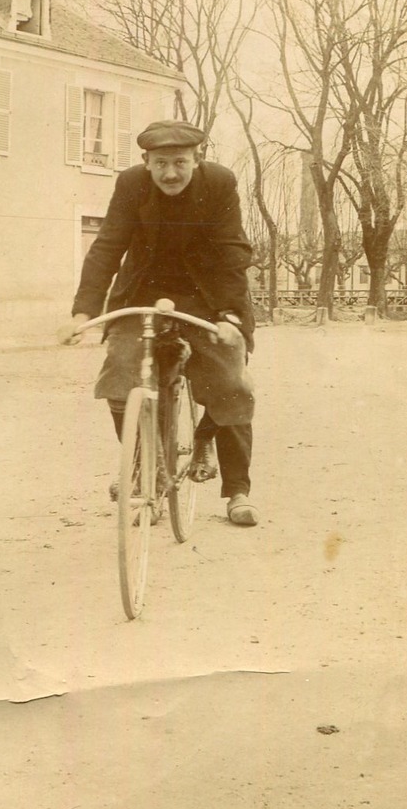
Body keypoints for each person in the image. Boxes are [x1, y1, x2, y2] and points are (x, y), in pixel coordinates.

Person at [59, 119, 258, 527]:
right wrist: (84, 313)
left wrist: (231, 315)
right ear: (146, 162)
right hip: (142, 293)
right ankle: (144, 468)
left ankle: (237, 489)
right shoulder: (131, 185)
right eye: (161, 163)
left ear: (197, 159)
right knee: (120, 371)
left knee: (230, 383)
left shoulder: (219, 183)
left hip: (208, 297)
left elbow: (231, 251)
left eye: (180, 163)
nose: (170, 173)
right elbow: (108, 246)